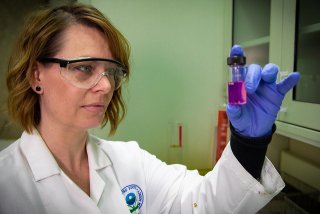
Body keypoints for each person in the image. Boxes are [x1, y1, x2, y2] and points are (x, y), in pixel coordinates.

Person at [0, 3, 300, 214]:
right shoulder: (6, 184)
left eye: (111, 72)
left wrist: (249, 144)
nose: (106, 86)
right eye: (84, 68)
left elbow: (204, 204)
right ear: (36, 75)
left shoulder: (130, 162)